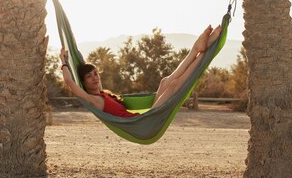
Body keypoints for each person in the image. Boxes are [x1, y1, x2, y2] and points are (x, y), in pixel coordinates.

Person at [59, 23, 222, 118]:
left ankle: (196, 50)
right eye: (89, 77)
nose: (94, 78)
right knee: (174, 86)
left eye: (95, 73)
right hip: (145, 121)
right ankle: (203, 54)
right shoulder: (93, 99)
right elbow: (69, 82)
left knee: (165, 81)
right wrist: (64, 62)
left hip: (145, 117)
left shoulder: (105, 94)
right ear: (84, 82)